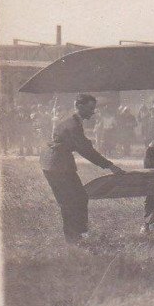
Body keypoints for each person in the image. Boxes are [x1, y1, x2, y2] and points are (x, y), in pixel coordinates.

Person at [40, 94, 125, 244]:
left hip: (57, 164)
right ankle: (74, 238)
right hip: (57, 165)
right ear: (79, 106)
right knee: (71, 200)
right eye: (90, 108)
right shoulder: (73, 125)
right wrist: (110, 166)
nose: (93, 112)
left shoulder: (73, 122)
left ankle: (77, 235)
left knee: (78, 197)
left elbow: (82, 144)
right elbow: (86, 150)